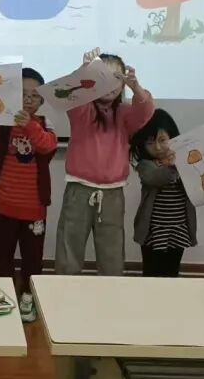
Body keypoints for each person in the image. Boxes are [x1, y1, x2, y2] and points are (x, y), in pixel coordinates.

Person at [0, 67, 57, 322]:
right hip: (3, 206)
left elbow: (47, 146)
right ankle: (3, 296)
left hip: (34, 210)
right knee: (2, 257)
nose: (28, 99)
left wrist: (28, 125)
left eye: (34, 95)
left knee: (33, 260)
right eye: (22, 94)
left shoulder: (44, 124)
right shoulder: (3, 122)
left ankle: (28, 297)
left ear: (41, 101)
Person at [56, 49, 154, 276]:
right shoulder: (82, 110)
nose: (110, 84)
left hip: (112, 193)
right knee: (69, 249)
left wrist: (136, 88)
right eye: (102, 77)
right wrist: (83, 71)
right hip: (79, 189)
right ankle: (62, 292)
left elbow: (145, 112)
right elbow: (67, 94)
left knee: (112, 253)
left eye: (116, 78)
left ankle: (111, 295)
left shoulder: (124, 113)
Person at [129, 109, 196, 278]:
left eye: (162, 140)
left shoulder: (184, 162)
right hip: (154, 230)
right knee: (152, 273)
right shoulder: (145, 165)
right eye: (150, 143)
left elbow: (197, 185)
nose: (157, 147)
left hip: (178, 228)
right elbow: (155, 178)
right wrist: (172, 167)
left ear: (173, 138)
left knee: (172, 271)